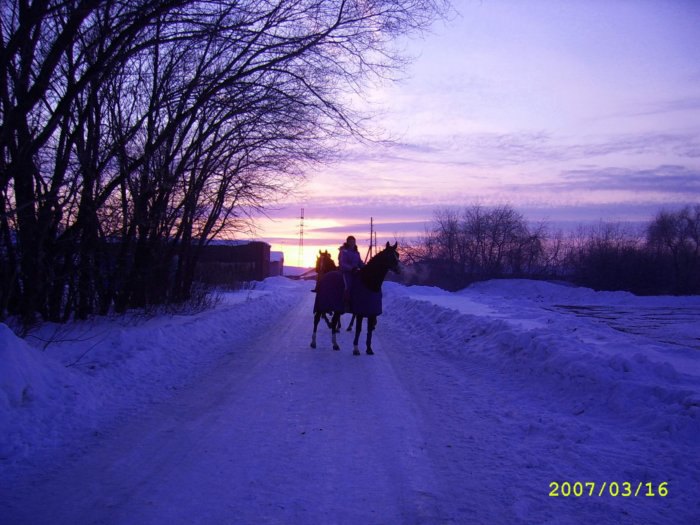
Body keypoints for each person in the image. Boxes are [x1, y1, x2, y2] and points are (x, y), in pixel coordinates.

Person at [338, 235, 364, 308]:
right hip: (347, 272)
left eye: (354, 242)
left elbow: (360, 262)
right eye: (351, 242)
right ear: (348, 242)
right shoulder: (344, 252)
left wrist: (367, 267)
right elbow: (343, 263)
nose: (353, 243)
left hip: (356, 272)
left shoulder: (356, 253)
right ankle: (346, 303)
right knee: (348, 286)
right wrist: (351, 268)